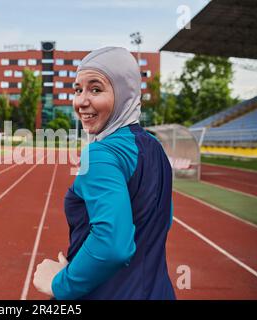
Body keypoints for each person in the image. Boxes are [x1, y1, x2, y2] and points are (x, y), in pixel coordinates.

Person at [33, 47, 176, 300]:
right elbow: (158, 223)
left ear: (124, 93)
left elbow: (113, 247)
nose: (81, 102)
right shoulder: (156, 149)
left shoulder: (99, 153)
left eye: (96, 89)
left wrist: (61, 284)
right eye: (78, 90)